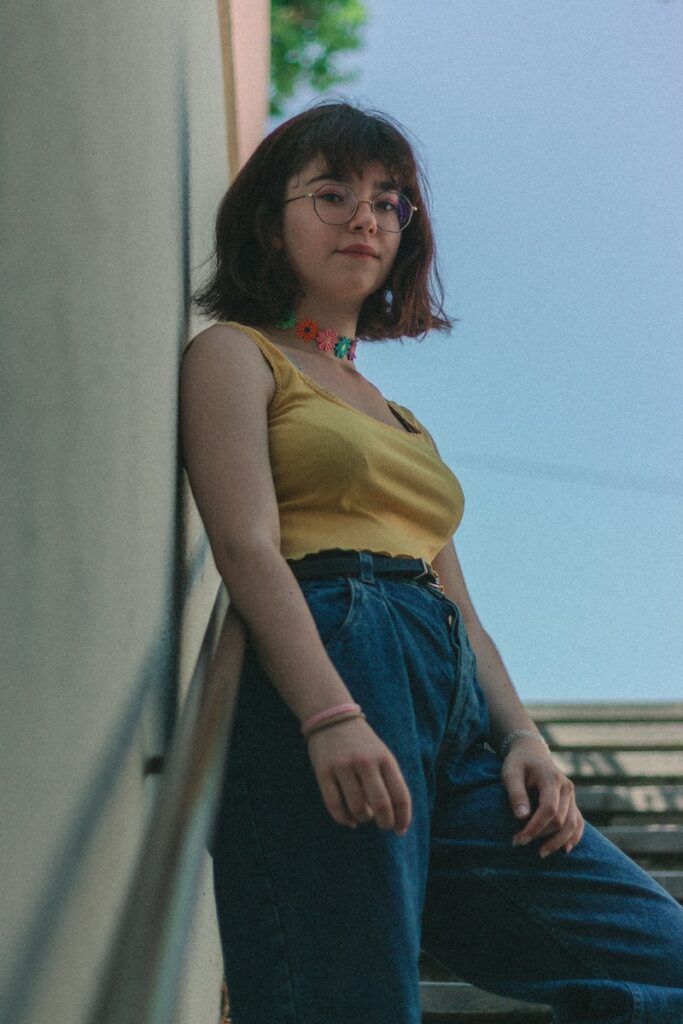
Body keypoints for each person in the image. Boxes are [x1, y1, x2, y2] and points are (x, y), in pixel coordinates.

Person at [179, 102, 683, 1024]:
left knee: (665, 955)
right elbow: (246, 545)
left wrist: (523, 736)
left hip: (448, 698)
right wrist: (328, 713)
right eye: (331, 194)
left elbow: (458, 599)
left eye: (388, 201)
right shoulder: (237, 356)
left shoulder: (400, 420)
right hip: (334, 657)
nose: (364, 218)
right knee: (353, 997)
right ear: (269, 219)